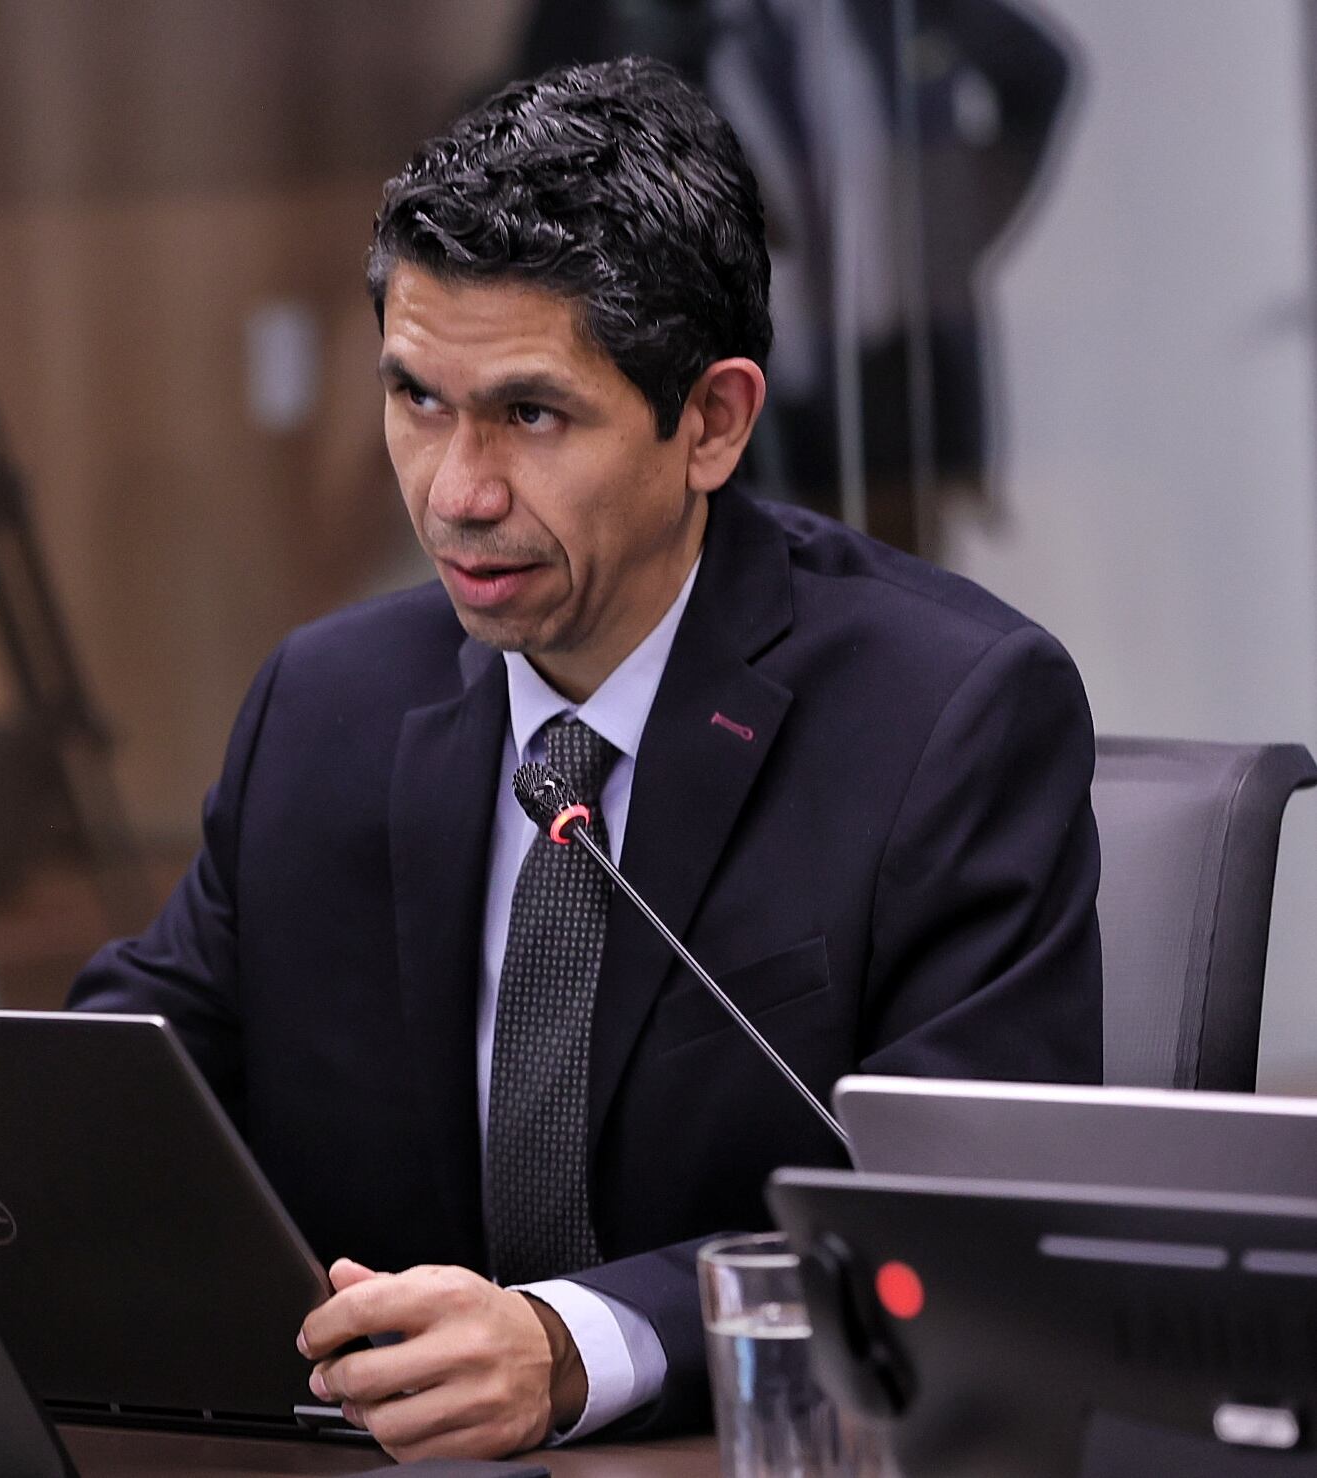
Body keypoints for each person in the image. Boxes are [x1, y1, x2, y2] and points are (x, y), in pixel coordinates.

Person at [70, 58, 1100, 1459]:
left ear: (713, 423)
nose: (455, 489)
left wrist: (573, 1343)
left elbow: (952, 1235)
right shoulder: (322, 708)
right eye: (416, 400)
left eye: (528, 415)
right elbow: (122, 1087)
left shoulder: (949, 719)